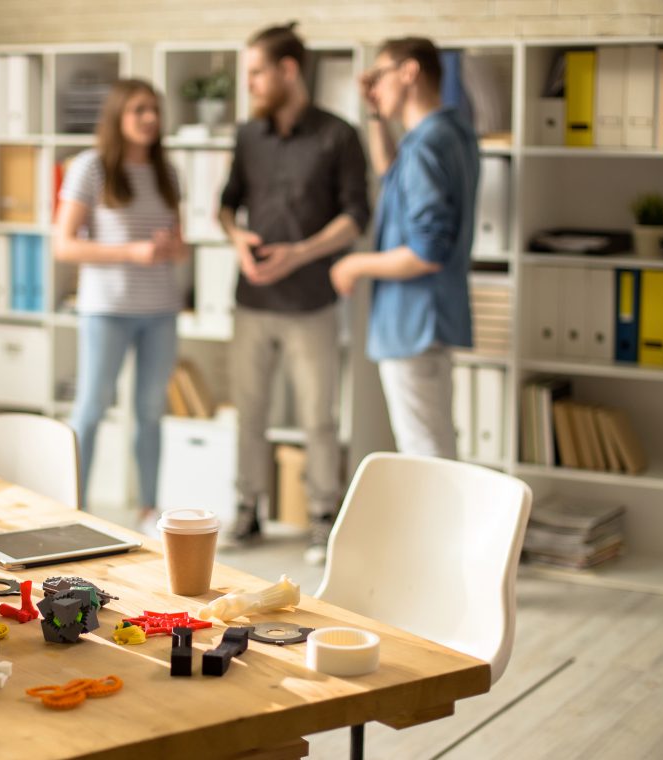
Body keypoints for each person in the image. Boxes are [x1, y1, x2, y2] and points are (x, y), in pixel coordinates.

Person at [219, 23, 370, 564]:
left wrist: (300, 252)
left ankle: (323, 518)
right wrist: (237, 241)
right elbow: (225, 205)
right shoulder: (247, 136)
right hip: (252, 300)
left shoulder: (339, 135)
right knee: (249, 412)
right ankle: (248, 510)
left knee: (318, 417)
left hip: (312, 301)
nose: (251, 83)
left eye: (257, 72)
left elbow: (357, 216)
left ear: (287, 70)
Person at [330, 37, 479, 460]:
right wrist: (377, 115)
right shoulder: (451, 133)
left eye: (379, 76)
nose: (373, 87)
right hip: (432, 322)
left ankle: (444, 530)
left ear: (409, 72)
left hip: (413, 323)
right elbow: (391, 174)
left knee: (425, 455)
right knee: (435, 446)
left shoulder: (426, 146)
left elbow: (425, 252)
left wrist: (355, 263)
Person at [53, 79, 187, 527]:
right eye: (139, 110)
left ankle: (148, 508)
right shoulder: (90, 168)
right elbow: (64, 245)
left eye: (155, 109)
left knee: (151, 411)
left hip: (160, 310)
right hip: (106, 309)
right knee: (91, 407)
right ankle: (74, 507)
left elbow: (181, 244)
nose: (150, 118)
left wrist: (170, 248)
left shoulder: (168, 171)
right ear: (117, 116)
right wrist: (131, 252)